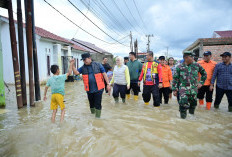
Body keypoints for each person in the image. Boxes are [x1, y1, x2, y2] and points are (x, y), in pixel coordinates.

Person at [72, 53, 110, 118]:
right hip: (89, 89)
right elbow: (76, 73)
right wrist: (72, 64)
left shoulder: (98, 65)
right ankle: (93, 116)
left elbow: (104, 74)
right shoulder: (83, 68)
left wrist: (108, 84)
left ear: (89, 58)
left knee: (98, 103)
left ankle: (97, 119)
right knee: (91, 104)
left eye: (85, 59)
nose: (84, 61)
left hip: (99, 88)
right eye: (83, 60)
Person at [172, 51, 207, 119]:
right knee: (182, 105)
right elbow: (175, 79)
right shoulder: (179, 67)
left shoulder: (197, 65)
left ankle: (191, 119)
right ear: (186, 57)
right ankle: (183, 120)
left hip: (193, 90)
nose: (193, 58)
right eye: (191, 57)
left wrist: (201, 83)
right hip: (183, 90)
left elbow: (204, 74)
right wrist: (174, 89)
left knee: (193, 105)